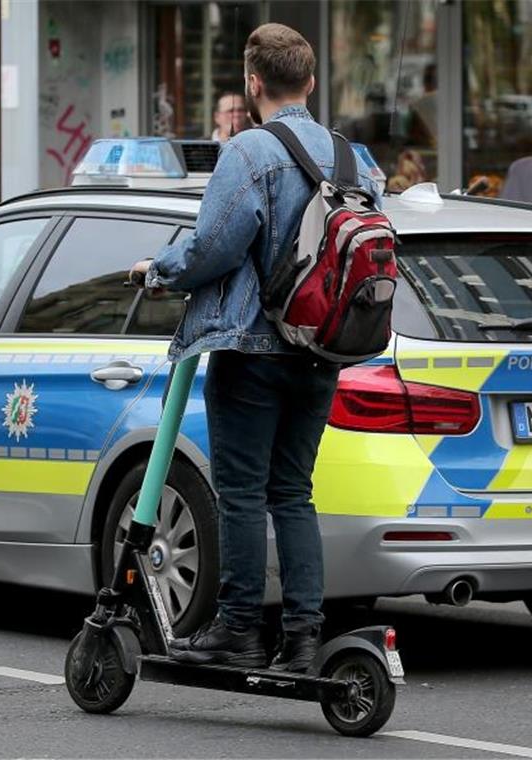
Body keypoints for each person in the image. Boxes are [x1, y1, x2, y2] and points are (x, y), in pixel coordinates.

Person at [130, 23, 383, 672]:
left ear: (252, 84)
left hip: (252, 348)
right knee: (293, 492)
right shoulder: (356, 160)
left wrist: (157, 269)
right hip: (323, 348)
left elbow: (212, 248)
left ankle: (240, 629)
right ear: (312, 81)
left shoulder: (249, 153)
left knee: (242, 493)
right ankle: (303, 636)